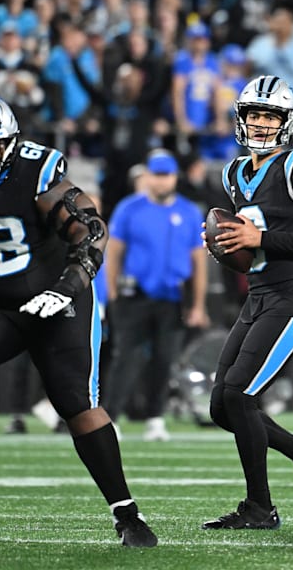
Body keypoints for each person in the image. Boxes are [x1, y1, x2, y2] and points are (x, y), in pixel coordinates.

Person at [0, 87, 157, 547]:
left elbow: (92, 230)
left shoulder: (34, 171)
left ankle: (127, 512)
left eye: (2, 141)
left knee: (76, 404)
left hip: (55, 300)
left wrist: (67, 288)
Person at [202, 75, 293, 530]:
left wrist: (258, 237)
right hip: (258, 295)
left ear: (288, 121)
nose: (260, 123)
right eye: (253, 115)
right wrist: (228, 248)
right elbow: (249, 252)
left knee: (240, 396)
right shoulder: (234, 172)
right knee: (222, 406)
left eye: (269, 115)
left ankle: (260, 507)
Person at [104, 149, 209, 442]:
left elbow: (198, 261)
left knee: (165, 360)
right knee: (126, 357)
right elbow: (114, 251)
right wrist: (111, 290)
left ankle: (155, 418)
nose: (162, 182)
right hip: (134, 293)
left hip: (173, 295)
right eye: (157, 175)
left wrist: (198, 304)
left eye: (167, 176)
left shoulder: (189, 212)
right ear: (148, 176)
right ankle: (111, 418)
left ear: (175, 177)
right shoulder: (129, 208)